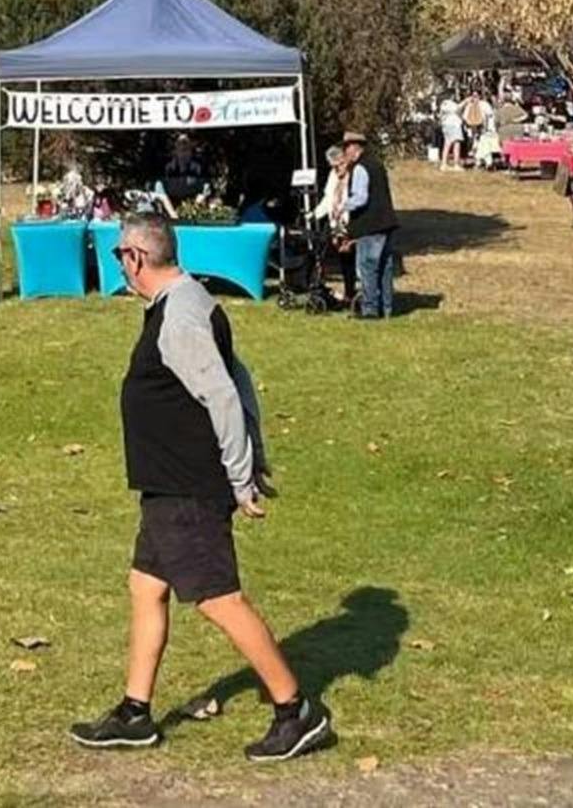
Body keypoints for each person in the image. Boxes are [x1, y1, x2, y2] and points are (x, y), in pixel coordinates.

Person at [69, 213, 329, 763]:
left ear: (136, 257)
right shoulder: (180, 304)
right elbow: (239, 376)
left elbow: (224, 396)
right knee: (146, 587)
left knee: (217, 599)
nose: (119, 264)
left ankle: (296, 710)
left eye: (120, 255)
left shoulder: (182, 315)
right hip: (165, 487)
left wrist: (242, 476)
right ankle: (135, 713)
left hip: (188, 487)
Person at [342, 130, 398, 319]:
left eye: (346, 148)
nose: (345, 153)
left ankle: (370, 310)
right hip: (386, 223)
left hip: (370, 225)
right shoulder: (377, 164)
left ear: (354, 148)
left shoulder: (360, 168)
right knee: (385, 268)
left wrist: (342, 206)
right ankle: (387, 308)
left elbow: (360, 198)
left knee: (368, 267)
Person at [311, 144, 357, 306]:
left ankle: (351, 292)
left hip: (349, 223)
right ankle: (340, 292)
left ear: (344, 160)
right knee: (334, 256)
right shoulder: (333, 176)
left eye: (339, 165)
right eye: (334, 167)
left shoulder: (353, 176)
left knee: (350, 258)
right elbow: (328, 199)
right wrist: (314, 214)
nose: (337, 169)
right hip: (334, 223)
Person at [161, 135, 208, 211]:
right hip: (172, 205)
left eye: (186, 149)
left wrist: (192, 209)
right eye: (181, 149)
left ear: (190, 151)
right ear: (176, 151)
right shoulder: (168, 168)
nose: (183, 153)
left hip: (193, 205)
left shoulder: (198, 168)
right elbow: (162, 192)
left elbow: (204, 190)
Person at [438, 92, 463, 171]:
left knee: (447, 145)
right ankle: (456, 165)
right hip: (454, 125)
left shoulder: (442, 105)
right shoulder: (450, 104)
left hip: (446, 126)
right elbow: (458, 108)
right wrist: (466, 101)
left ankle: (444, 164)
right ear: (451, 96)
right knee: (457, 144)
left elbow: (440, 116)